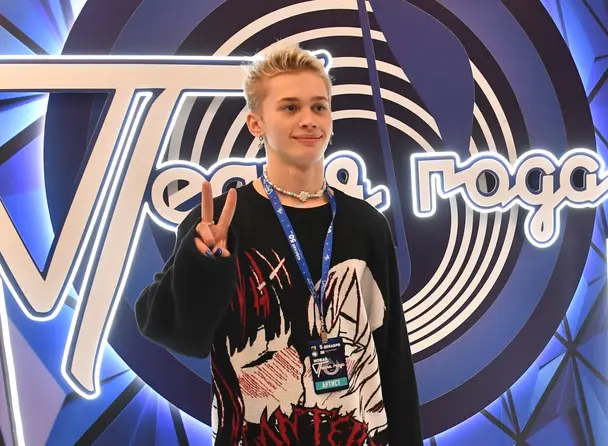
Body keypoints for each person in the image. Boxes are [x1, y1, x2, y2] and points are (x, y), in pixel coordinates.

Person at [135, 45, 422, 445]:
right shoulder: (221, 224)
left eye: (319, 107)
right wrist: (202, 262)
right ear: (256, 124)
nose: (309, 120)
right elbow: (174, 332)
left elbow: (392, 355)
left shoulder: (366, 223)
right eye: (290, 107)